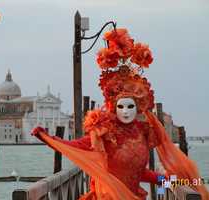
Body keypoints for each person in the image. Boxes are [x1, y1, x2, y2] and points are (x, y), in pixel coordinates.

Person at [32, 29, 209, 199]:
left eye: (130, 107)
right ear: (114, 108)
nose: (125, 112)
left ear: (138, 107)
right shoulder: (105, 132)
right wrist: (49, 139)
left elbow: (141, 173)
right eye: (121, 107)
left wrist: (173, 181)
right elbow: (74, 146)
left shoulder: (142, 132)